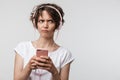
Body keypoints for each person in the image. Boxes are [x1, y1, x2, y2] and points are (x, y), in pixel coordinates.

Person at [14, 3, 74, 80]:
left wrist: (53, 71)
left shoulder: (64, 54)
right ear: (35, 24)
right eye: (41, 21)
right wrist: (28, 67)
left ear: (58, 25)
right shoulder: (22, 48)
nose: (45, 25)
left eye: (50, 21)